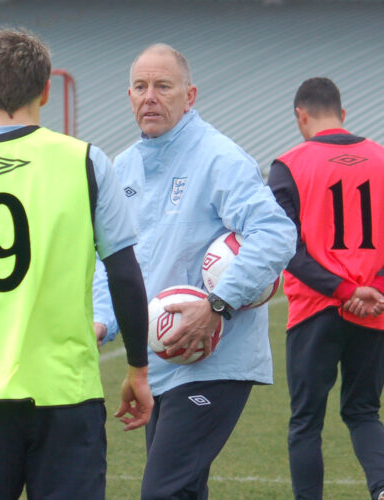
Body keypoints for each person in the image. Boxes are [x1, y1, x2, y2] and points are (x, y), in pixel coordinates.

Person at [0, 28, 153, 500]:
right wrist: (138, 368)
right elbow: (123, 273)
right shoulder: (87, 163)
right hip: (66, 396)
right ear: (47, 88)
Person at [92, 43, 297, 499]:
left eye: (164, 86)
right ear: (128, 96)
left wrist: (217, 306)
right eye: (141, 87)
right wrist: (100, 322)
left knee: (164, 491)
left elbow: (276, 233)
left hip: (215, 362)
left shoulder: (219, 159)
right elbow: (111, 263)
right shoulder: (120, 168)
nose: (151, 97)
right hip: (160, 360)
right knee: (183, 491)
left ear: (190, 95)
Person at [268, 77, 384, 500]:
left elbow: (286, 249)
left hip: (315, 309)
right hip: (375, 309)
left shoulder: (287, 165)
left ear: (300, 116)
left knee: (306, 421)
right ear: (343, 114)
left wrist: (340, 289)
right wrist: (370, 288)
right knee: (363, 411)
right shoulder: (382, 158)